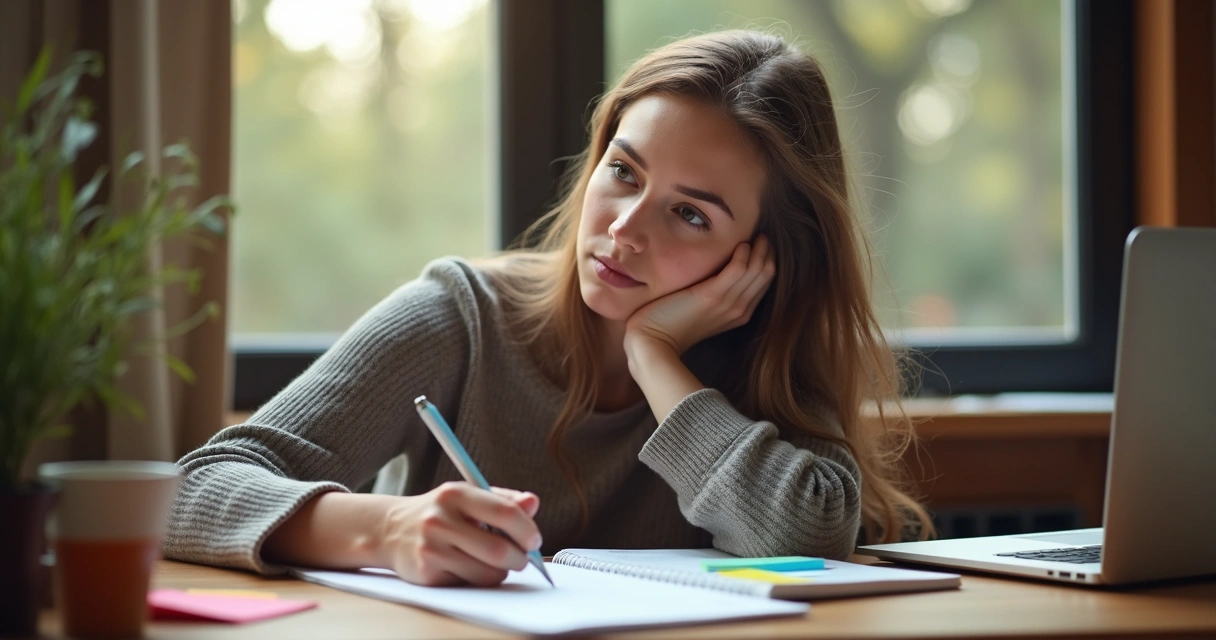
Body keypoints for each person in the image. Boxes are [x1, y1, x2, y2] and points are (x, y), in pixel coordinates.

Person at [165, 29, 933, 587]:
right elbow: (190, 491)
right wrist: (388, 528)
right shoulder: (459, 316)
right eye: (624, 172)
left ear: (763, 257)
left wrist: (656, 359)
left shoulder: (763, 371)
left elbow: (810, 535)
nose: (625, 230)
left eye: (690, 214)